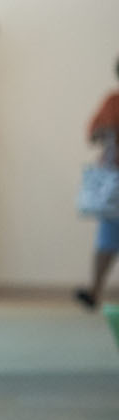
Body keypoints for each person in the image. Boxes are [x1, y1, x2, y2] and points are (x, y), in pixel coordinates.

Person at [75, 58, 119, 310]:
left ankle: (94, 291)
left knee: (108, 237)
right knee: (108, 237)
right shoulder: (113, 102)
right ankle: (94, 291)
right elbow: (93, 133)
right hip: (114, 180)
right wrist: (108, 133)